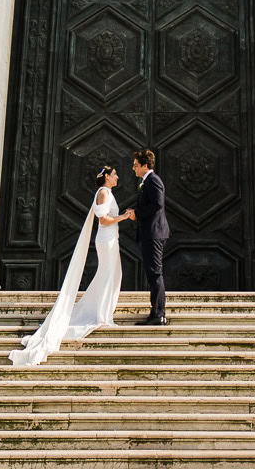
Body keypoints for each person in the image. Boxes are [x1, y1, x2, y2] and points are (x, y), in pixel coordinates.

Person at [9, 164, 125, 367]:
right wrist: (124, 216)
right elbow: (104, 219)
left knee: (110, 274)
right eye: (114, 174)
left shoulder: (105, 192)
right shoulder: (105, 193)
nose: (117, 177)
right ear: (107, 176)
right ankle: (101, 314)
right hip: (107, 238)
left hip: (109, 238)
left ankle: (102, 311)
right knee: (107, 274)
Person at [121, 148, 168, 325]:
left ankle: (158, 314)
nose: (133, 168)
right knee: (153, 273)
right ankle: (156, 312)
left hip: (154, 233)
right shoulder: (147, 181)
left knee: (155, 273)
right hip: (151, 233)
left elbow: (157, 204)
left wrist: (136, 213)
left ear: (144, 165)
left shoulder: (153, 181)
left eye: (135, 165)